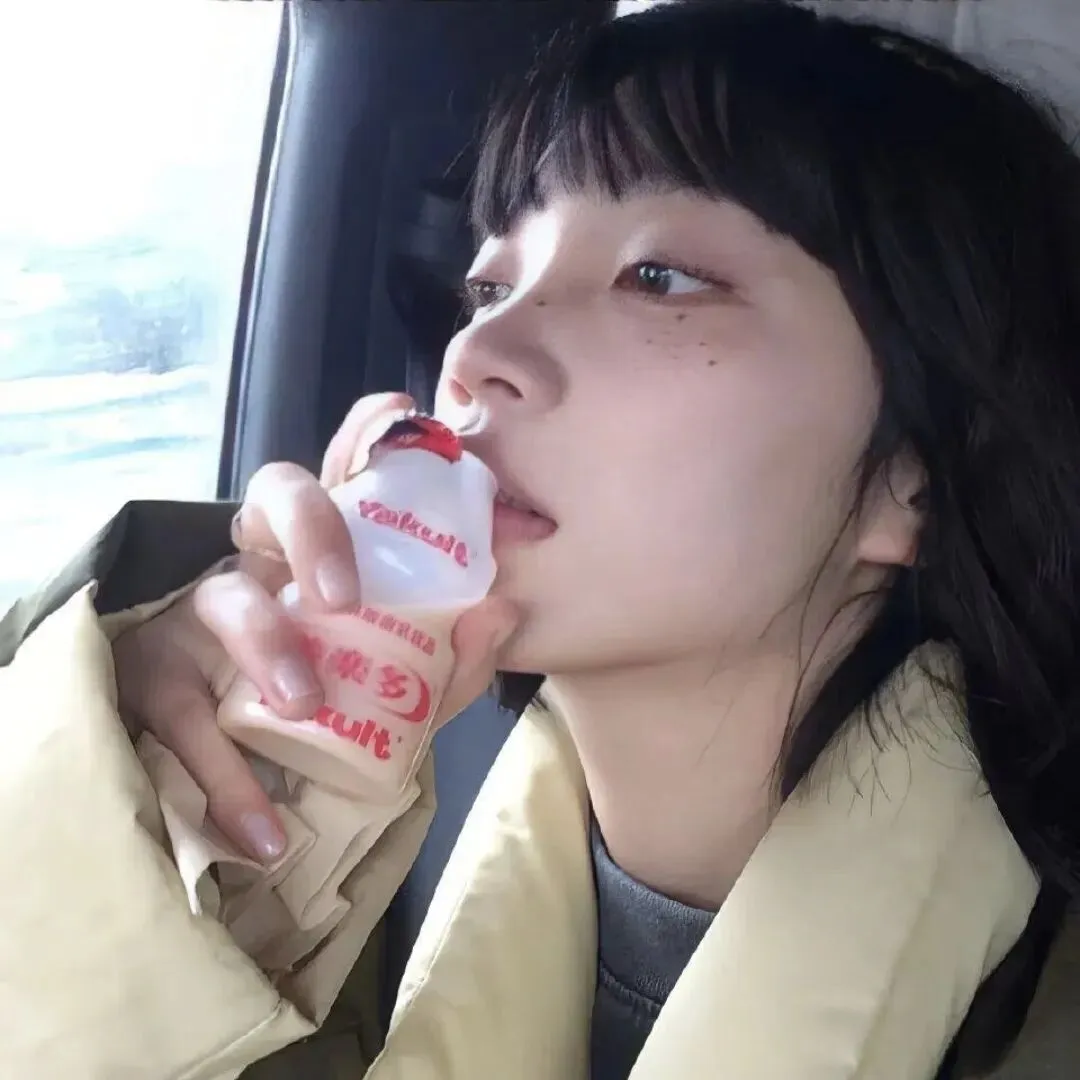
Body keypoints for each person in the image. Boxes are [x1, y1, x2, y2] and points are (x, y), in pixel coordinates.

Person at [3, 2, 1080, 1077]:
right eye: (488, 286)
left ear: (915, 481)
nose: (476, 352)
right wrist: (119, 821)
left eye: (661, 277)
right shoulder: (329, 877)